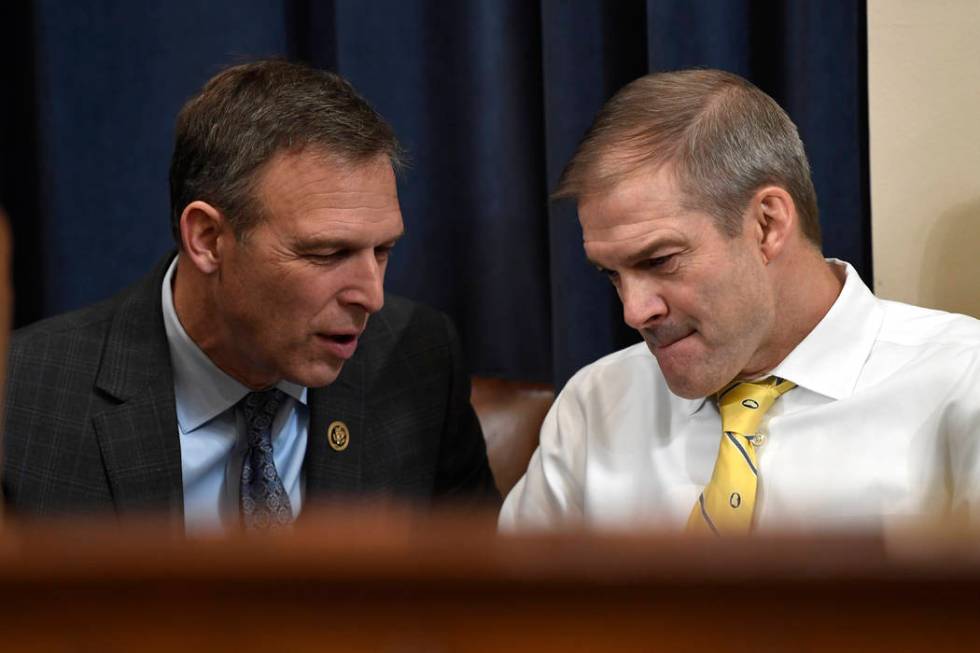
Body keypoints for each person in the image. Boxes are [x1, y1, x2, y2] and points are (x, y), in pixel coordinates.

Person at [3, 60, 499, 532]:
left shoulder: (416, 361)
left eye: (383, 250)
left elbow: (481, 605)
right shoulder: (23, 398)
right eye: (327, 253)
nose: (372, 296)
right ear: (208, 239)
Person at [500, 69, 980, 534]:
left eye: (660, 260)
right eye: (612, 275)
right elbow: (510, 611)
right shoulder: (595, 403)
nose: (633, 311)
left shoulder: (963, 382)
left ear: (767, 225)